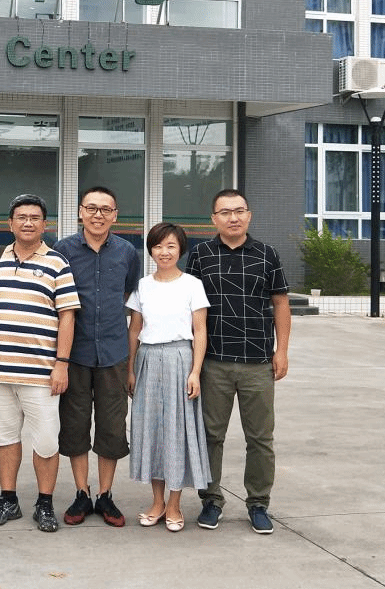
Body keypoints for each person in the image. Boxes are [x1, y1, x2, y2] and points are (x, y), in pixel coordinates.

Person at [187, 188, 291, 535]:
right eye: (225, 212)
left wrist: (281, 350)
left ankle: (258, 503)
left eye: (239, 211)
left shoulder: (267, 254)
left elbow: (280, 304)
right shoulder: (200, 254)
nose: (233, 218)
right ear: (213, 219)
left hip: (257, 362)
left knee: (260, 438)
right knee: (210, 436)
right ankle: (211, 500)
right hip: (213, 361)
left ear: (249, 215)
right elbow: (191, 307)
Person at [0, 194, 80, 533]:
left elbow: (67, 317)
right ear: (10, 223)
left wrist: (61, 364)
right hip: (1, 369)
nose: (28, 223)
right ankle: (8, 499)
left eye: (35, 217)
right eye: (21, 217)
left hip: (42, 373)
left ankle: (44, 503)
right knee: (5, 437)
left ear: (45, 224)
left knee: (46, 442)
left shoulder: (58, 263)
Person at [53, 186, 139, 528]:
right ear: (80, 212)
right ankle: (81, 492)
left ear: (115, 215)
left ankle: (105, 495)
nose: (98, 215)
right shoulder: (63, 250)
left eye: (106, 209)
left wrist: (130, 364)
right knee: (74, 426)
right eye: (91, 208)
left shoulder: (127, 252)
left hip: (114, 353)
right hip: (74, 354)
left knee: (112, 428)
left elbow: (128, 294)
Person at [125, 222, 211, 533]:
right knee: (152, 432)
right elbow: (134, 330)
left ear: (180, 250)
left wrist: (195, 372)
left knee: (177, 431)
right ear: (151, 250)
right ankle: (157, 502)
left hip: (180, 359)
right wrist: (130, 369)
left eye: (171, 246)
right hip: (148, 359)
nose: (164, 252)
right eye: (159, 246)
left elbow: (200, 331)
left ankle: (174, 504)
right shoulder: (142, 286)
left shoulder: (192, 285)